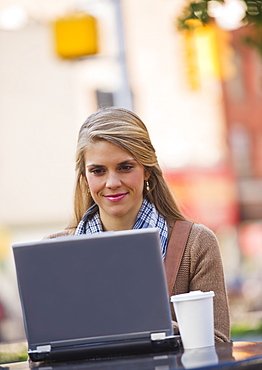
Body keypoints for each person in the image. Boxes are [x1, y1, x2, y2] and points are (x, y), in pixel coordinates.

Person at [48, 106, 230, 343]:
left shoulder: (195, 244)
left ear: (146, 170)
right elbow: (46, 351)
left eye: (125, 167)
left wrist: (155, 326)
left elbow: (219, 345)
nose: (112, 182)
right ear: (85, 177)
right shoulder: (54, 252)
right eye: (98, 171)